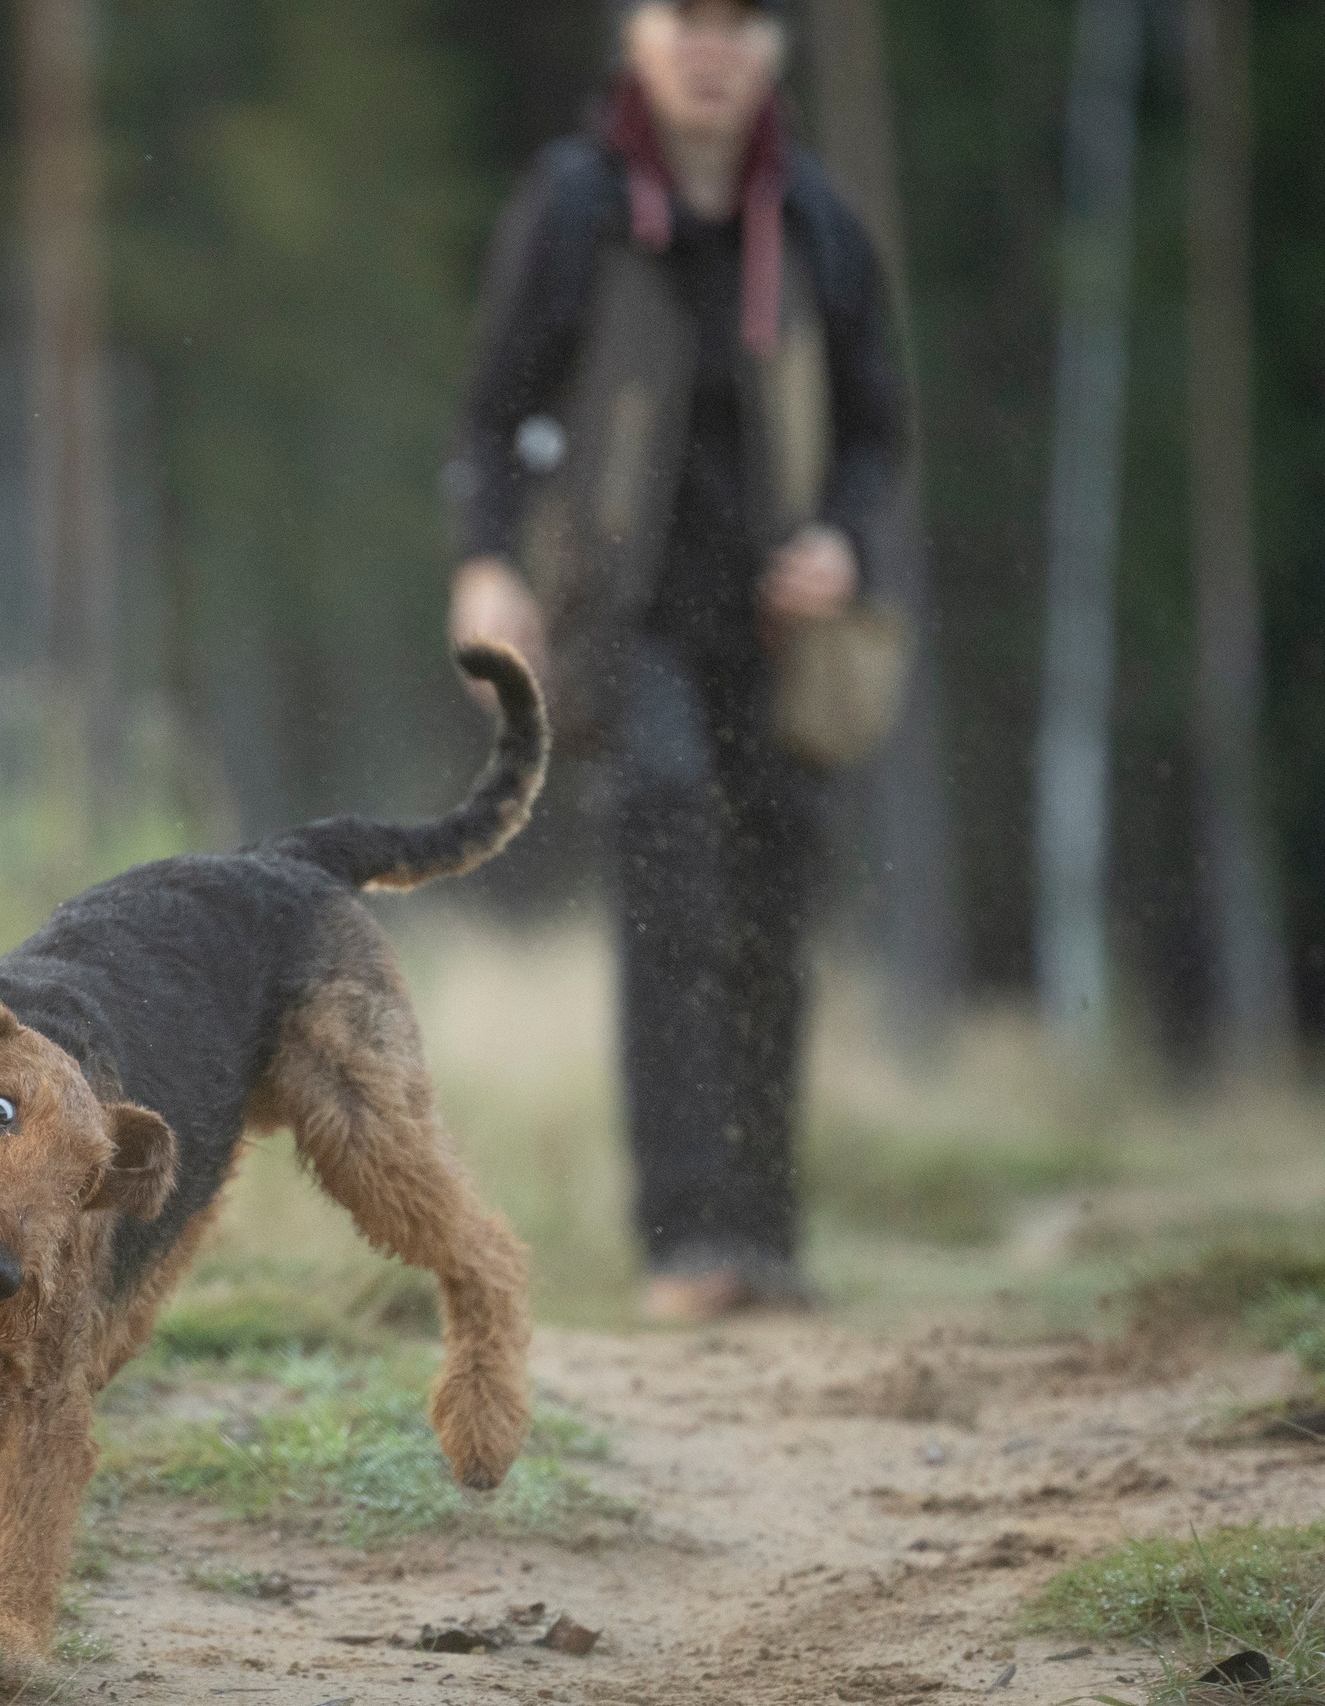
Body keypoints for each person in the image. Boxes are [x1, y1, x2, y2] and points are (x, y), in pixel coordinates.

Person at [444, 0, 907, 1322]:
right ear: (636, 36)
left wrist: (845, 542)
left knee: (772, 901)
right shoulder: (576, 204)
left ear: (775, 48)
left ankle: (765, 1231)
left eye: (740, 20)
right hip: (623, 616)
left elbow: (877, 434)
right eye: (683, 16)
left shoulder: (816, 221)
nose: (711, 46)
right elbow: (492, 416)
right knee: (669, 861)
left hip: (780, 632)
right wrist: (486, 565)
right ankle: (685, 1233)